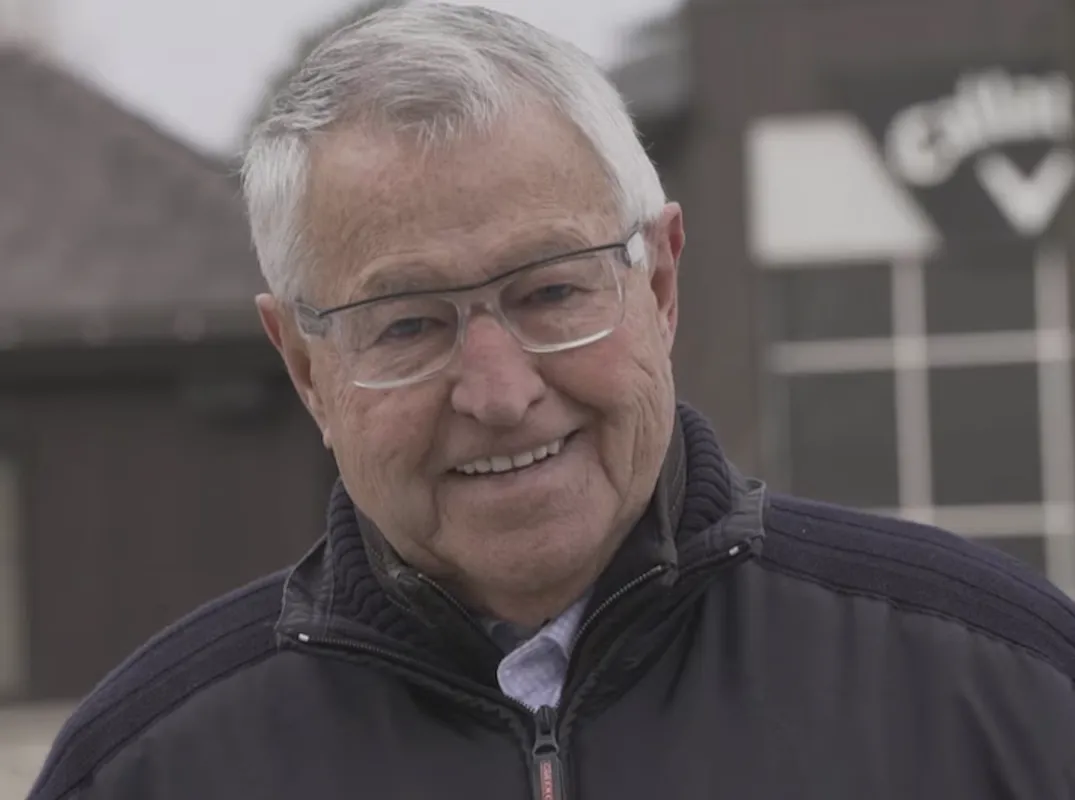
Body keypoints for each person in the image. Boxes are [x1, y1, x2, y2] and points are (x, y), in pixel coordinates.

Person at [29, 5, 1075, 799]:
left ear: (659, 284)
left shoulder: (1001, 691)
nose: (498, 390)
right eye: (406, 323)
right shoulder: (146, 768)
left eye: (552, 291)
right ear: (306, 367)